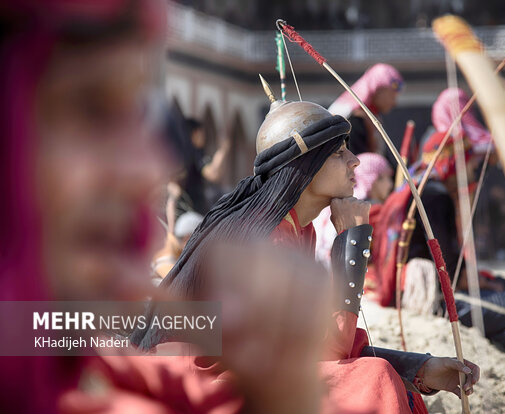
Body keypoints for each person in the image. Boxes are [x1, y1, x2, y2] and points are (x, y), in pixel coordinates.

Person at [0, 2, 334, 413]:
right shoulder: (263, 234)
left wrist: (281, 378)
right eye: (91, 109)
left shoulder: (43, 333)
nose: (149, 167)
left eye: (134, 115)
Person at [133, 90, 480, 413]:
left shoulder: (299, 229)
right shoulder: (264, 237)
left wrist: (419, 367)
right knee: (375, 378)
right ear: (307, 166)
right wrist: (351, 243)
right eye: (339, 152)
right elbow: (325, 349)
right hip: (210, 385)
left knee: (384, 377)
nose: (355, 161)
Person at [369, 89, 505, 376]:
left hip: (430, 284)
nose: (474, 171)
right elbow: (450, 271)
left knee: (504, 286)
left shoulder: (423, 185)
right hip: (431, 296)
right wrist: (482, 283)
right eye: (470, 164)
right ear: (454, 165)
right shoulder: (435, 196)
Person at [315, 152, 393, 269]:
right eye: (387, 178)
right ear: (375, 179)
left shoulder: (340, 202)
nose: (390, 184)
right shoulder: (369, 209)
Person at [329, 63, 403, 155]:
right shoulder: (354, 119)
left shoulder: (370, 117)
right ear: (378, 89)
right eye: (392, 95)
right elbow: (359, 160)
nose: (394, 103)